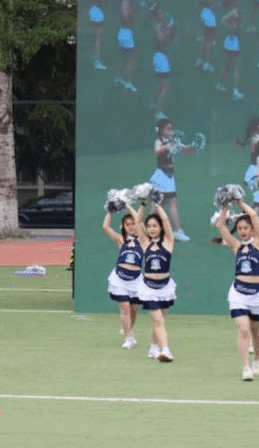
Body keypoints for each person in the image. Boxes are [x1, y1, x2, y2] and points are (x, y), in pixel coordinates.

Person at [215, 199, 259, 380]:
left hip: (258, 294)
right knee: (243, 330)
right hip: (238, 294)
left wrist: (239, 201)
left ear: (253, 229)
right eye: (240, 228)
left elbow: (254, 215)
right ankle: (245, 368)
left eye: (245, 228)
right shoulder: (236, 246)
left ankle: (257, 361)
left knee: (256, 331)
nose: (242, 231)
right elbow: (221, 226)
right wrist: (225, 205)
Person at [136, 203, 177, 362]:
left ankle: (153, 348)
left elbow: (166, 220)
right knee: (158, 320)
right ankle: (165, 350)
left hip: (165, 287)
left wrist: (158, 205)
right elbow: (137, 221)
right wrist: (143, 204)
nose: (151, 229)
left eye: (155, 226)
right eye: (149, 226)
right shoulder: (145, 243)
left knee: (159, 321)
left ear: (160, 227)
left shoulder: (168, 242)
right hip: (149, 288)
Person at [103, 203, 144, 349]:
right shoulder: (121, 240)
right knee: (125, 308)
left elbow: (139, 220)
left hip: (136, 280)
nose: (131, 227)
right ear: (123, 226)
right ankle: (128, 338)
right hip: (119, 279)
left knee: (134, 310)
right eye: (127, 224)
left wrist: (127, 206)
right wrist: (110, 211)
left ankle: (128, 330)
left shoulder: (143, 240)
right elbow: (105, 227)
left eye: (133, 224)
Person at [150, 118, 194, 242]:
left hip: (169, 176)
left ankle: (146, 227)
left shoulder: (174, 142)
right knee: (173, 202)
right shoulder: (159, 141)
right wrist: (167, 147)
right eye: (168, 129)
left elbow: (184, 151)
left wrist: (192, 147)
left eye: (172, 129)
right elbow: (157, 151)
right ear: (161, 130)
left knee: (159, 205)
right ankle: (178, 231)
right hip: (162, 176)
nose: (171, 131)